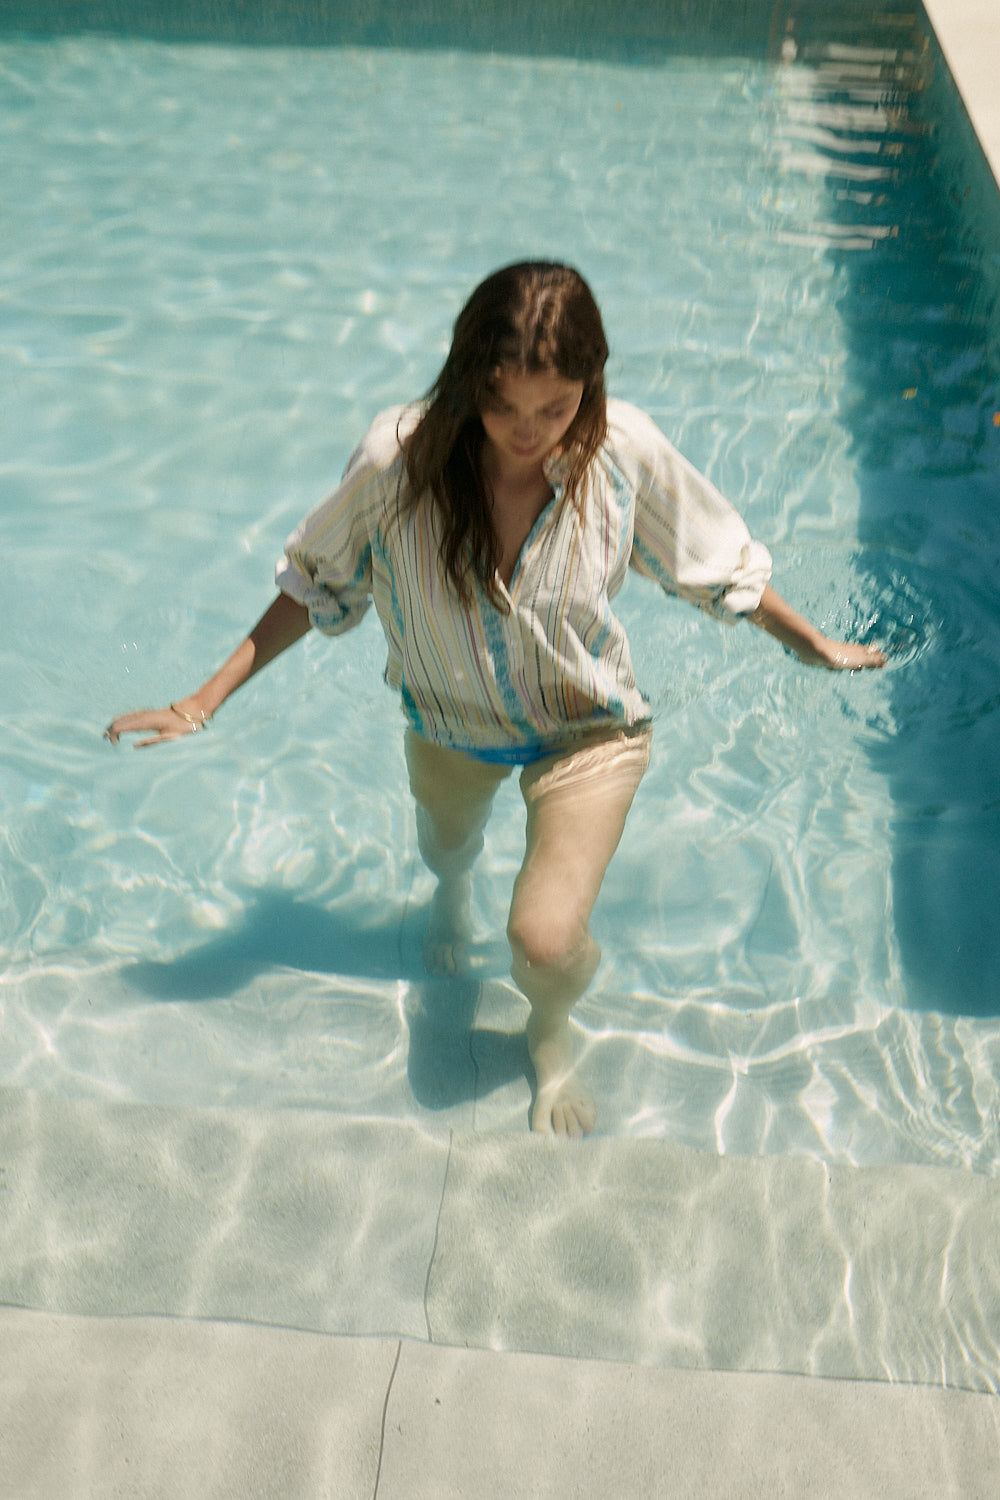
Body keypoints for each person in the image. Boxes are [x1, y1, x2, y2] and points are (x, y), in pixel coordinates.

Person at [106, 261, 884, 1137]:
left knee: (542, 941)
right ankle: (449, 899)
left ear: (589, 386)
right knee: (447, 854)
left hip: (589, 732)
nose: (529, 432)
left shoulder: (622, 453)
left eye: (556, 409)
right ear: (468, 380)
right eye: (505, 406)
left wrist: (813, 643)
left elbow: (713, 565)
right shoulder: (398, 462)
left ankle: (551, 1032)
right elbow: (316, 583)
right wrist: (203, 700)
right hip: (446, 726)